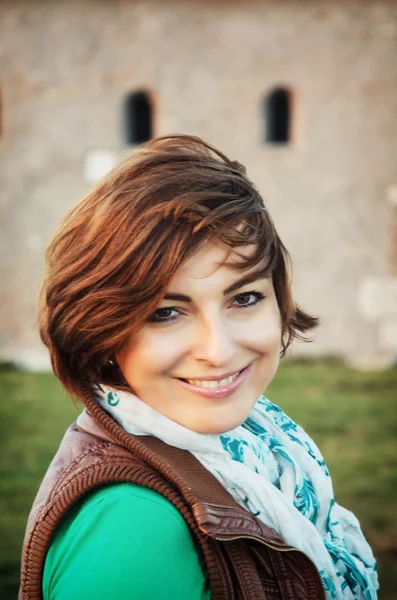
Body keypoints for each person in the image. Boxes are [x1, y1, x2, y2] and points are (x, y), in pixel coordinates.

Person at [20, 134, 378, 600]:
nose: (219, 349)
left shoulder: (264, 448)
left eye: (245, 298)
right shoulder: (133, 530)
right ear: (102, 329)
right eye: (166, 312)